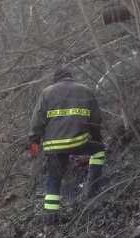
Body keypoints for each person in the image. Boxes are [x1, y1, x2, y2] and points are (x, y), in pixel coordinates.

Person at [29, 68, 106, 221]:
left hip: (54, 147)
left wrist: (34, 145)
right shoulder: (86, 91)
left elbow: (37, 121)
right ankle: (91, 192)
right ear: (71, 77)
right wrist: (97, 138)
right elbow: (95, 120)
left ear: (56, 80)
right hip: (79, 142)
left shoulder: (47, 92)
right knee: (98, 151)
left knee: (53, 181)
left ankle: (50, 222)